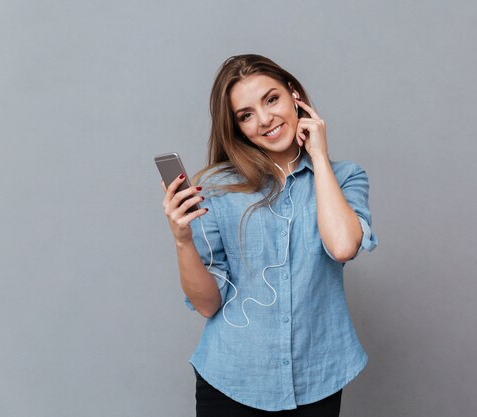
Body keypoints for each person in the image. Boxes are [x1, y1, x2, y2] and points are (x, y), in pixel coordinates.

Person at [160, 54, 378, 416]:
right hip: (231, 380)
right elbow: (207, 305)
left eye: (271, 99)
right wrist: (182, 239)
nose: (264, 120)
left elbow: (342, 247)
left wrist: (319, 157)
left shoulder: (345, 178)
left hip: (318, 377)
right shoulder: (215, 188)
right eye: (246, 115)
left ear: (295, 96)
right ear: (237, 128)